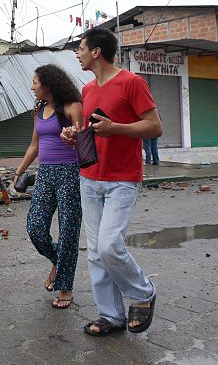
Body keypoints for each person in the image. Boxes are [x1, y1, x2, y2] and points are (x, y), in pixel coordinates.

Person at [61, 27, 162, 337]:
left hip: (122, 179)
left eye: (80, 48)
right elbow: (93, 131)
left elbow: (155, 127)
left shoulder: (132, 82)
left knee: (109, 246)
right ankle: (111, 315)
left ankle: (143, 292)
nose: (77, 53)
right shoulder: (88, 90)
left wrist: (116, 127)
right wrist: (73, 137)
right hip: (90, 178)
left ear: (96, 52)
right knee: (94, 252)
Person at [13, 64, 84, 310]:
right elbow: (35, 145)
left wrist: (74, 138)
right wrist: (20, 170)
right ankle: (59, 261)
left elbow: (85, 144)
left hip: (70, 173)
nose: (31, 87)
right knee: (35, 227)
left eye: (35, 82)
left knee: (68, 231)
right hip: (45, 173)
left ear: (47, 83)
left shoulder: (73, 107)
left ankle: (65, 288)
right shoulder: (40, 109)